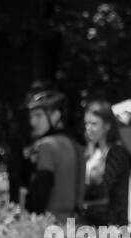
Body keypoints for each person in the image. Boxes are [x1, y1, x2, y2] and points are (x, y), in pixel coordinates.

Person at [22, 86, 84, 218]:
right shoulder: (76, 145)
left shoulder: (47, 146)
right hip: (74, 224)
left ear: (56, 115)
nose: (32, 122)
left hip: (50, 225)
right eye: (31, 117)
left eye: (38, 116)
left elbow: (41, 192)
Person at [81, 98, 131, 226]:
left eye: (94, 124)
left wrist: (75, 194)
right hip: (89, 223)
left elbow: (102, 189)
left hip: (111, 227)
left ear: (107, 126)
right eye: (86, 124)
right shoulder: (90, 152)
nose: (89, 128)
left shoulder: (117, 152)